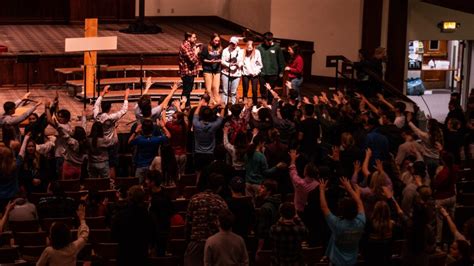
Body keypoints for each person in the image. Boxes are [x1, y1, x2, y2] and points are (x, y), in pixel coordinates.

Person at [184, 173, 228, 266]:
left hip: (196, 241)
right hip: (214, 243)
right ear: (220, 187)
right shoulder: (221, 202)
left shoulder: (195, 198)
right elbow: (224, 225)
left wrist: (187, 240)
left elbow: (188, 223)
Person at [319, 178, 366, 266]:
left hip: (337, 262)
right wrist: (350, 189)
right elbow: (359, 202)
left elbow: (324, 207)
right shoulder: (361, 221)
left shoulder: (337, 224)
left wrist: (321, 190)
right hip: (352, 261)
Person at [111, 185, 154, 266]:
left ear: (129, 197)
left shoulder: (120, 215)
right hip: (142, 257)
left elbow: (113, 236)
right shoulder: (148, 216)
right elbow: (152, 237)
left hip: (124, 257)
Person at [93, 86, 129, 179]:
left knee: (102, 163)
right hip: (111, 143)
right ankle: (112, 185)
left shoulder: (97, 116)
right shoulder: (111, 118)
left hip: (101, 142)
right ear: (109, 108)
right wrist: (126, 97)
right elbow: (123, 111)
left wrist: (103, 93)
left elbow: (96, 105)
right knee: (111, 165)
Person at [257, 32, 285, 103]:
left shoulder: (276, 47)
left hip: (273, 73)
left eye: (271, 40)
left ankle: (269, 104)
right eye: (268, 41)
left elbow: (281, 60)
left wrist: (281, 71)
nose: (270, 42)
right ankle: (263, 103)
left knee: (271, 90)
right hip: (262, 73)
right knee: (262, 89)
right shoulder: (259, 47)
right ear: (264, 40)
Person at [178, 32, 201, 107]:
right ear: (188, 38)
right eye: (194, 37)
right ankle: (184, 106)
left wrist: (195, 47)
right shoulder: (185, 46)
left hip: (190, 72)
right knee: (186, 91)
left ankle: (187, 106)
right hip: (187, 72)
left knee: (188, 91)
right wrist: (196, 52)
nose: (196, 39)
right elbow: (193, 59)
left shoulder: (189, 45)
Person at [221, 36, 244, 104]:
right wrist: (228, 65)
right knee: (225, 91)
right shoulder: (225, 50)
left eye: (234, 43)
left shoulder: (240, 51)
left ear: (237, 43)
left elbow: (242, 61)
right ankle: (224, 107)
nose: (233, 45)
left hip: (236, 74)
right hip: (226, 73)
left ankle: (233, 107)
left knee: (233, 92)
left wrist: (238, 65)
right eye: (231, 43)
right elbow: (222, 61)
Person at [200, 33, 222, 104]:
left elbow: (222, 58)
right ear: (212, 40)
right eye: (215, 40)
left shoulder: (220, 48)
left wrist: (220, 60)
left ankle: (216, 104)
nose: (217, 42)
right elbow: (202, 59)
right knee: (208, 89)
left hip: (217, 70)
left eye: (218, 41)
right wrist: (209, 61)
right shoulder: (206, 47)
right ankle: (209, 104)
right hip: (208, 69)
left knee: (215, 88)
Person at [242, 40, 262, 104]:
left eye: (251, 48)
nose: (249, 50)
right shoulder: (243, 52)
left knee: (254, 90)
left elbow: (260, 64)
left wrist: (256, 72)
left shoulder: (257, 52)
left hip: (254, 74)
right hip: (246, 73)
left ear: (253, 47)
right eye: (248, 48)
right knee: (245, 89)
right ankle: (244, 103)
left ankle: (255, 104)